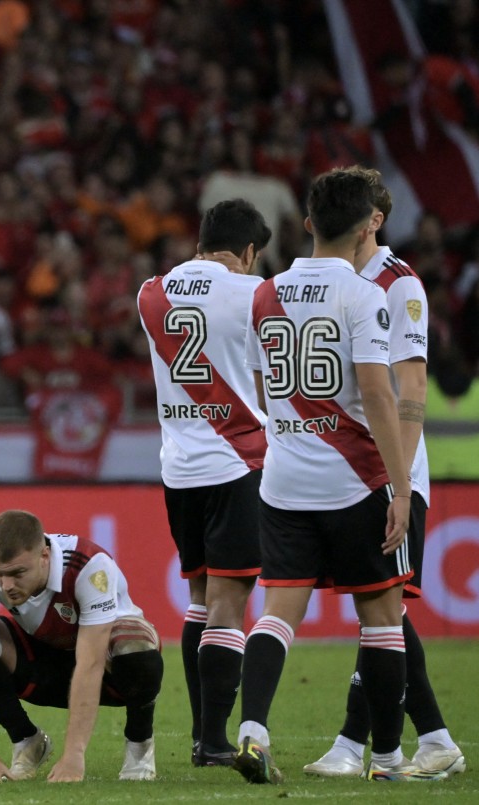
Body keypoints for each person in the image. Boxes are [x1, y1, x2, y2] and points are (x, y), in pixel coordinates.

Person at [233, 168, 440, 784]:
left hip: (283, 479)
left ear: (307, 224)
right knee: (381, 621)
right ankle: (388, 758)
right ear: (365, 228)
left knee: (277, 614)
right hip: (355, 480)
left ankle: (251, 730)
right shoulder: (362, 294)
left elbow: (264, 384)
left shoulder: (264, 293)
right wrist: (401, 488)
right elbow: (380, 394)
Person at [304, 167, 466, 777]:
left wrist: (397, 478)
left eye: (371, 213)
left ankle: (361, 745)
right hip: (344, 469)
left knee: (384, 608)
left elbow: (412, 384)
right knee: (383, 611)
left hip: (389, 471)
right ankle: (431, 741)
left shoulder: (399, 285)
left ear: (377, 221)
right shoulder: (333, 281)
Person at [136, 199, 270, 767]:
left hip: (178, 470)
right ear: (246, 252)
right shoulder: (256, 292)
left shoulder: (150, 293)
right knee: (230, 602)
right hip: (238, 463)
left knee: (198, 599)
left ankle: (200, 736)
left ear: (199, 244)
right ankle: (214, 740)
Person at [0, 510, 163, 783]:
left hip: (108, 675)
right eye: (0, 575)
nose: (7, 586)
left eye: (18, 573)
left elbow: (90, 663)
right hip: (45, 666)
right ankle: (27, 741)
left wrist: (74, 755)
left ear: (44, 557)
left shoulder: (89, 566)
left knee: (134, 641)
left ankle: (139, 745)